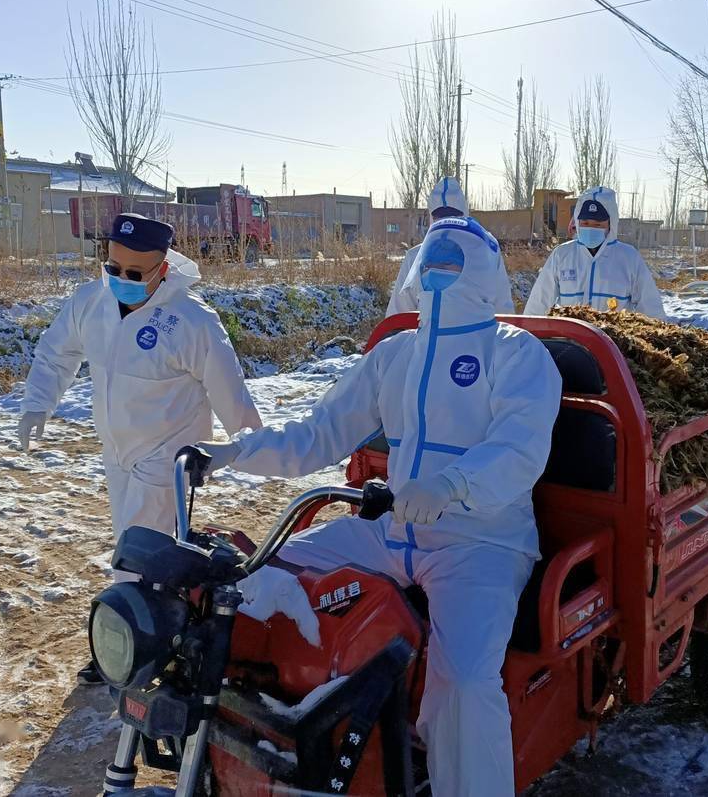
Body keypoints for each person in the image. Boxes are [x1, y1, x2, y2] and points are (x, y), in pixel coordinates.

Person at [204, 215, 562, 796]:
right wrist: (234, 452)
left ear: (485, 272)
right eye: (434, 262)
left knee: (467, 684)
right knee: (263, 575)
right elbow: (318, 433)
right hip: (390, 530)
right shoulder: (395, 353)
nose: (441, 274)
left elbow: (518, 449)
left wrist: (451, 486)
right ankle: (285, 735)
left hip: (480, 541)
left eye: (455, 263)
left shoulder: (515, 353)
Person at [18, 212, 262, 682]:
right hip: (117, 448)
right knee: (133, 543)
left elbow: (230, 391)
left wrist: (250, 445)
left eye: (135, 274)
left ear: (163, 269)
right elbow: (56, 352)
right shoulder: (91, 303)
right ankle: (147, 636)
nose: (121, 280)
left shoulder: (192, 322)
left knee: (139, 548)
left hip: (167, 452)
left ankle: (126, 648)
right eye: (113, 268)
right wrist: (37, 403)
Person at [524, 185, 666, 319]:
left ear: (610, 225)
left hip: (613, 342)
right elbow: (539, 301)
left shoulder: (628, 258)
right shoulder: (562, 255)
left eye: (598, 224)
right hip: (570, 341)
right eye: (585, 223)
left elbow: (650, 307)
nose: (591, 228)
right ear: (578, 223)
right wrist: (527, 336)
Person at [386, 176, 515, 317]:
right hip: (472, 337)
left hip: (431, 337)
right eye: (440, 216)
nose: (446, 222)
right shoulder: (486, 254)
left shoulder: (416, 257)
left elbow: (398, 313)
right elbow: (503, 310)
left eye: (451, 215)